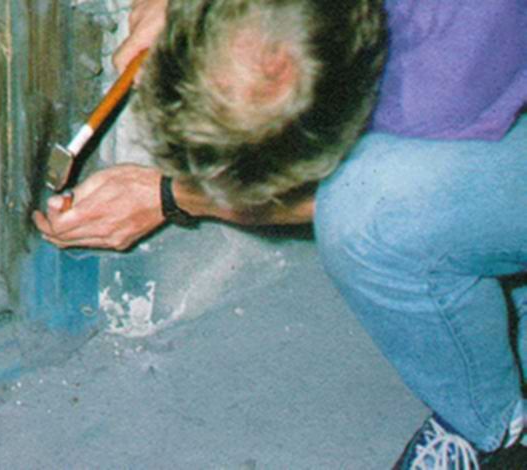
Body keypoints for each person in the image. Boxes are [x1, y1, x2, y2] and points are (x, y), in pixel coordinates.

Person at [33, 0, 527, 467]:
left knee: (370, 220)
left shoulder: (435, 86)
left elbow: (332, 195)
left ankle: (491, 427)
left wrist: (171, 196)